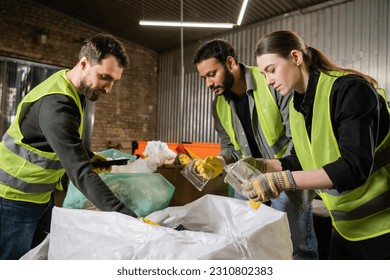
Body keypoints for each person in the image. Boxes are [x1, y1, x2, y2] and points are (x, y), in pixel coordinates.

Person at [243, 30, 390, 259]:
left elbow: (354, 167)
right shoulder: (297, 105)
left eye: (271, 70)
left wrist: (282, 181)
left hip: (382, 226)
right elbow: (304, 158)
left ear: (295, 57)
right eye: (263, 74)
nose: (269, 81)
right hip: (345, 228)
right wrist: (262, 165)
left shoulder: (350, 90)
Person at [0, 34, 140, 259]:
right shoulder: (57, 105)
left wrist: (90, 156)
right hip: (13, 199)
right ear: (84, 63)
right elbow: (81, 174)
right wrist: (129, 219)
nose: (109, 89)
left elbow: (64, 139)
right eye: (105, 77)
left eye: (114, 80)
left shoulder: (71, 87)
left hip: (41, 195)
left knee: (36, 260)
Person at [192, 39, 318, 260]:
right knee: (248, 241)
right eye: (204, 78)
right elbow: (231, 148)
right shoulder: (218, 105)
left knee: (296, 247)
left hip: (285, 178)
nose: (208, 84)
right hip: (247, 179)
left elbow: (298, 140)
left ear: (230, 63)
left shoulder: (272, 83)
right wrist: (219, 161)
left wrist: (278, 175)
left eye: (212, 74)